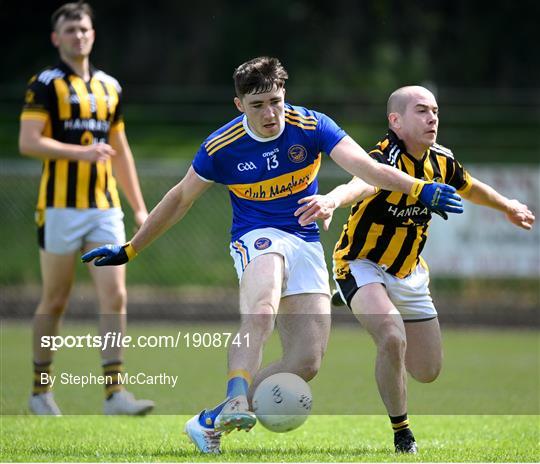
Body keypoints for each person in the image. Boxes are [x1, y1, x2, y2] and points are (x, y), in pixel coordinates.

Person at [82, 59, 463, 453]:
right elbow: (180, 198)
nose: (270, 113)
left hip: (306, 241)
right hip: (257, 236)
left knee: (306, 361)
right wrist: (132, 247)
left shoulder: (312, 126)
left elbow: (366, 167)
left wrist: (418, 189)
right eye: (258, 104)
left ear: (286, 96)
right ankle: (234, 394)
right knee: (261, 309)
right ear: (239, 105)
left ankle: (209, 420)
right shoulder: (222, 146)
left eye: (276, 101)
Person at [296, 85, 535, 453]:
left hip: (409, 273)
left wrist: (506, 206)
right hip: (361, 264)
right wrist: (331, 199)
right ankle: (402, 432)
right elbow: (358, 184)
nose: (432, 117)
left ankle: (359, 299)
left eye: (435, 111)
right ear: (396, 120)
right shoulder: (383, 158)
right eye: (422, 111)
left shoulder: (441, 161)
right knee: (391, 337)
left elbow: (469, 187)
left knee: (427, 371)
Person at [19, 2, 154, 416]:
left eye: (84, 28)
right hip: (59, 207)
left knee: (115, 295)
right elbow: (29, 141)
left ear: (93, 34)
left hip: (103, 208)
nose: (79, 35)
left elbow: (120, 150)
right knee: (56, 298)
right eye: (70, 30)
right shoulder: (44, 84)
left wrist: (139, 207)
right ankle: (41, 391)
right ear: (56, 38)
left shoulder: (110, 87)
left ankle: (115, 394)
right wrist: (80, 154)